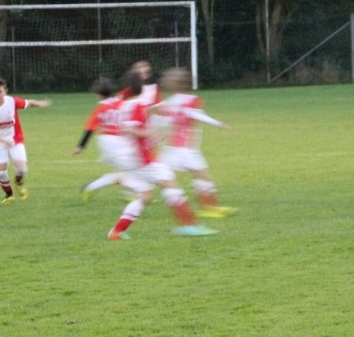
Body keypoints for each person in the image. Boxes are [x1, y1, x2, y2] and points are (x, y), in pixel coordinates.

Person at [102, 70, 216, 240]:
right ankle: (188, 225)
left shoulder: (124, 105)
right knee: (171, 185)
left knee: (145, 196)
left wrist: (152, 136)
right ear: (141, 87)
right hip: (143, 159)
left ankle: (116, 232)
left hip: (130, 157)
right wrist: (149, 134)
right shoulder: (139, 105)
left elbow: (131, 127)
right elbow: (130, 129)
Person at [156, 67, 237, 218]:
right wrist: (219, 124)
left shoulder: (168, 103)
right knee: (202, 175)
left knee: (166, 177)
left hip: (173, 148)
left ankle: (209, 207)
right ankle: (209, 208)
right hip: (186, 149)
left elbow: (165, 123)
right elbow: (197, 116)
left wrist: (159, 138)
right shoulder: (191, 100)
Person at [0, 76, 52, 203]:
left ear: (5, 91)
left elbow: (29, 103)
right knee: (1, 172)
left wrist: (40, 104)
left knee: (22, 169)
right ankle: (9, 195)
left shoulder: (12, 101)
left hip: (15, 140)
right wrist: (3, 140)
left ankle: (18, 182)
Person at [73, 77, 124, 199]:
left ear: (98, 94)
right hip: (118, 142)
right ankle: (92, 186)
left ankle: (134, 194)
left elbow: (90, 128)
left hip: (106, 142)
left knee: (127, 171)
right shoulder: (121, 103)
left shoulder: (100, 108)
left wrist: (81, 146)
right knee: (130, 171)